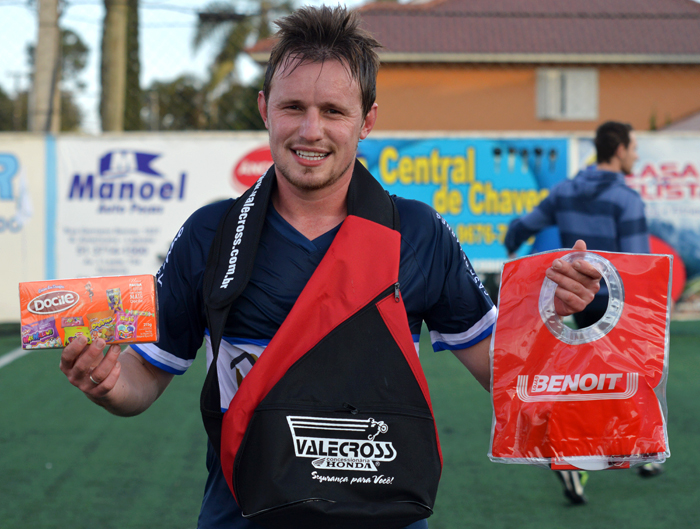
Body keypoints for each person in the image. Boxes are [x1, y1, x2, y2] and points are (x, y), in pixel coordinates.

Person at [59, 6, 601, 528]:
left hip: (385, 515)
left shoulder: (417, 233)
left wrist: (558, 316)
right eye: (293, 107)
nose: (310, 131)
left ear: (366, 122)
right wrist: (107, 382)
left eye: (334, 112)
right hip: (242, 515)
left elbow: (505, 372)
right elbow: (145, 376)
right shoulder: (211, 234)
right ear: (264, 108)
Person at [504, 120, 662, 504]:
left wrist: (512, 244)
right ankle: (647, 451)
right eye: (634, 147)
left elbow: (522, 227)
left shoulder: (565, 190)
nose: (637, 155)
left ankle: (572, 459)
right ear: (619, 149)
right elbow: (637, 264)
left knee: (582, 384)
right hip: (618, 305)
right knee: (636, 379)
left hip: (578, 301)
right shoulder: (626, 199)